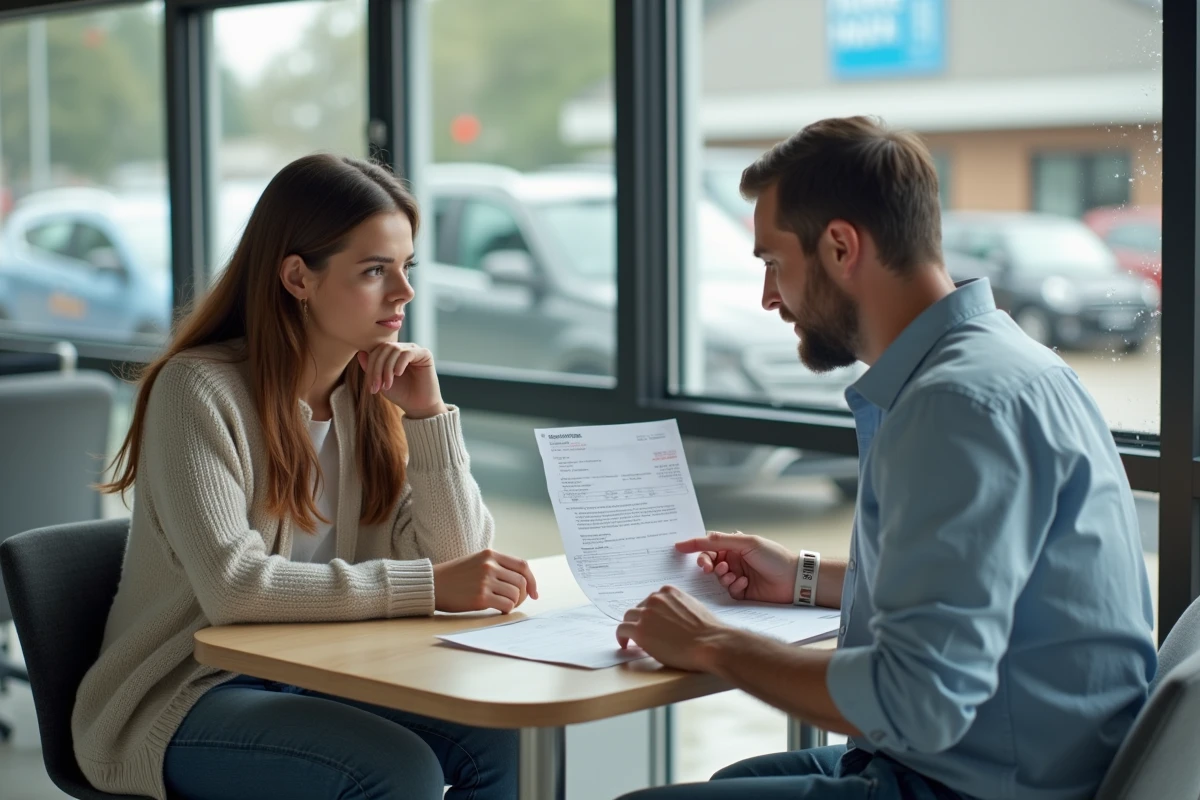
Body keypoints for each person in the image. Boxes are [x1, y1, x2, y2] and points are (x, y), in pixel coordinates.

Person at [615, 117, 1157, 800]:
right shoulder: (1010, 364)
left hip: (977, 787)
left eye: (774, 263)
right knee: (734, 779)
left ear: (841, 246)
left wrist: (713, 644)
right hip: (1019, 763)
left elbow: (917, 701)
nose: (768, 297)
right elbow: (975, 585)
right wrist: (802, 579)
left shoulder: (954, 407)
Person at [72, 154, 534, 800]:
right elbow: (236, 589)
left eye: (407, 269)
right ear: (297, 277)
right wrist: (429, 584)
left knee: (502, 737)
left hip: (322, 673)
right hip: (188, 692)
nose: (403, 293)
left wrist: (428, 417)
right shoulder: (197, 391)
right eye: (375, 271)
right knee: (394, 769)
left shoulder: (373, 396)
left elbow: (456, 558)